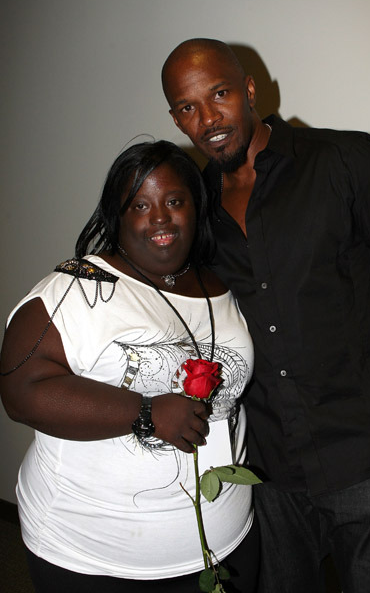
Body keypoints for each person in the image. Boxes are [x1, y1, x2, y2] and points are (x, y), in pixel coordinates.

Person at [161, 38, 370, 592]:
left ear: (248, 90)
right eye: (188, 107)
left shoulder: (344, 159)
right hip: (268, 469)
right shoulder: (193, 205)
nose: (207, 119)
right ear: (175, 116)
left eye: (218, 94)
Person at [0, 140, 259, 593]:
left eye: (175, 201)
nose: (160, 217)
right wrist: (145, 412)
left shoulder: (221, 282)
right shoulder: (75, 289)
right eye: (140, 205)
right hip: (91, 559)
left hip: (223, 549)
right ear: (117, 217)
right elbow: (21, 392)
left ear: (196, 208)